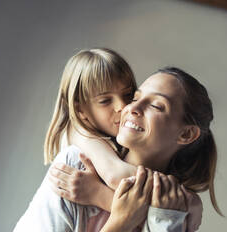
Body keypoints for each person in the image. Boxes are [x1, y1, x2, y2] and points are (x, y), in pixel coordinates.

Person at [13, 49, 202, 231]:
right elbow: (113, 173)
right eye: (105, 101)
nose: (125, 107)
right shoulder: (76, 165)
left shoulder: (174, 202)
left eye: (129, 96)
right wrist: (123, 218)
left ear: (186, 134)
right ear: (81, 111)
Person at [50, 67, 223, 230]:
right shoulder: (76, 169)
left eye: (156, 105)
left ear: (186, 134)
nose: (132, 107)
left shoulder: (174, 210)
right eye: (134, 98)